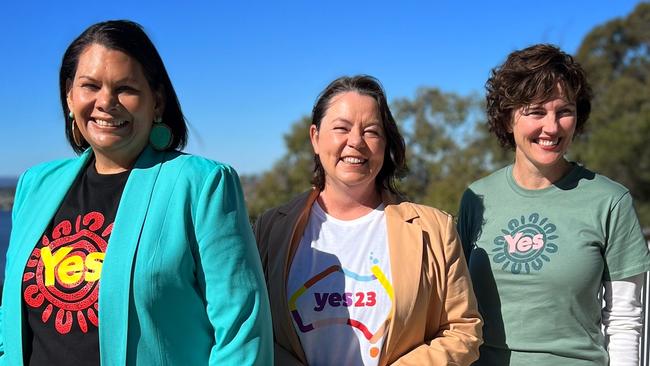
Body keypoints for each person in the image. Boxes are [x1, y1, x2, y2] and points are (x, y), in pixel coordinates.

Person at [1, 20, 272, 365]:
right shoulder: (34, 185)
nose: (106, 102)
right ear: (70, 95)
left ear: (156, 102)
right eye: (90, 86)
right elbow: (9, 313)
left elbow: (242, 331)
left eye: (125, 88)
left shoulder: (202, 184)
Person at [255, 75, 482, 365]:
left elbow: (463, 330)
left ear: (385, 144)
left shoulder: (434, 230)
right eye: (341, 128)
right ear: (315, 137)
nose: (356, 142)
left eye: (371, 131)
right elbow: (253, 331)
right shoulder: (270, 230)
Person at [457, 44, 650, 366]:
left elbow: (624, 319)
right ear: (507, 119)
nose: (552, 126)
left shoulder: (610, 201)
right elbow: (455, 304)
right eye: (535, 111)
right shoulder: (475, 198)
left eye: (564, 111)